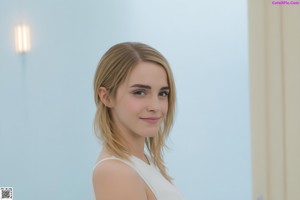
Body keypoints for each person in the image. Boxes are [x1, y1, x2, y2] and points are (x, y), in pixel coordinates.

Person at [92, 42, 184, 200]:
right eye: (140, 92)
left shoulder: (142, 162)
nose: (156, 106)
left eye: (163, 93)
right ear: (106, 97)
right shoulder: (116, 172)